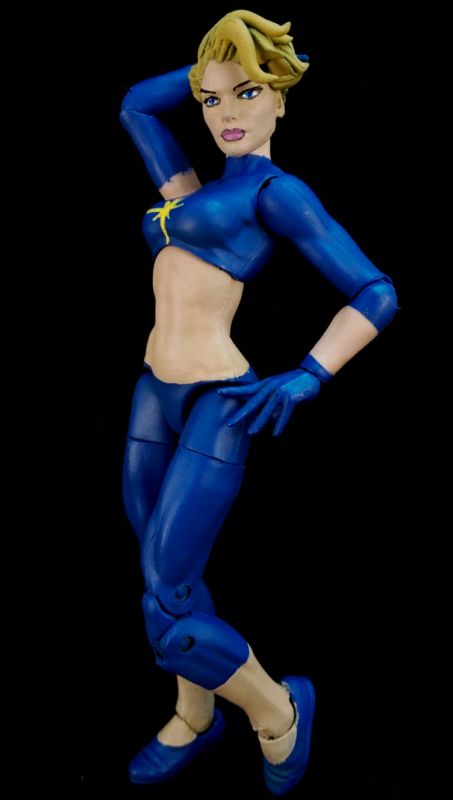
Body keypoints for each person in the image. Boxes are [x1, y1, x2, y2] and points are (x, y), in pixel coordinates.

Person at [119, 9, 398, 796]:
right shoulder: (191, 190)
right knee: (166, 580)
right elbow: (136, 106)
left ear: (279, 96)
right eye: (211, 100)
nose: (225, 113)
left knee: (167, 605)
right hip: (153, 395)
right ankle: (195, 714)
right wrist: (213, 63)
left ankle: (277, 710)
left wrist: (309, 373)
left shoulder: (276, 191)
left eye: (246, 93)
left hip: (216, 398)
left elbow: (375, 291)